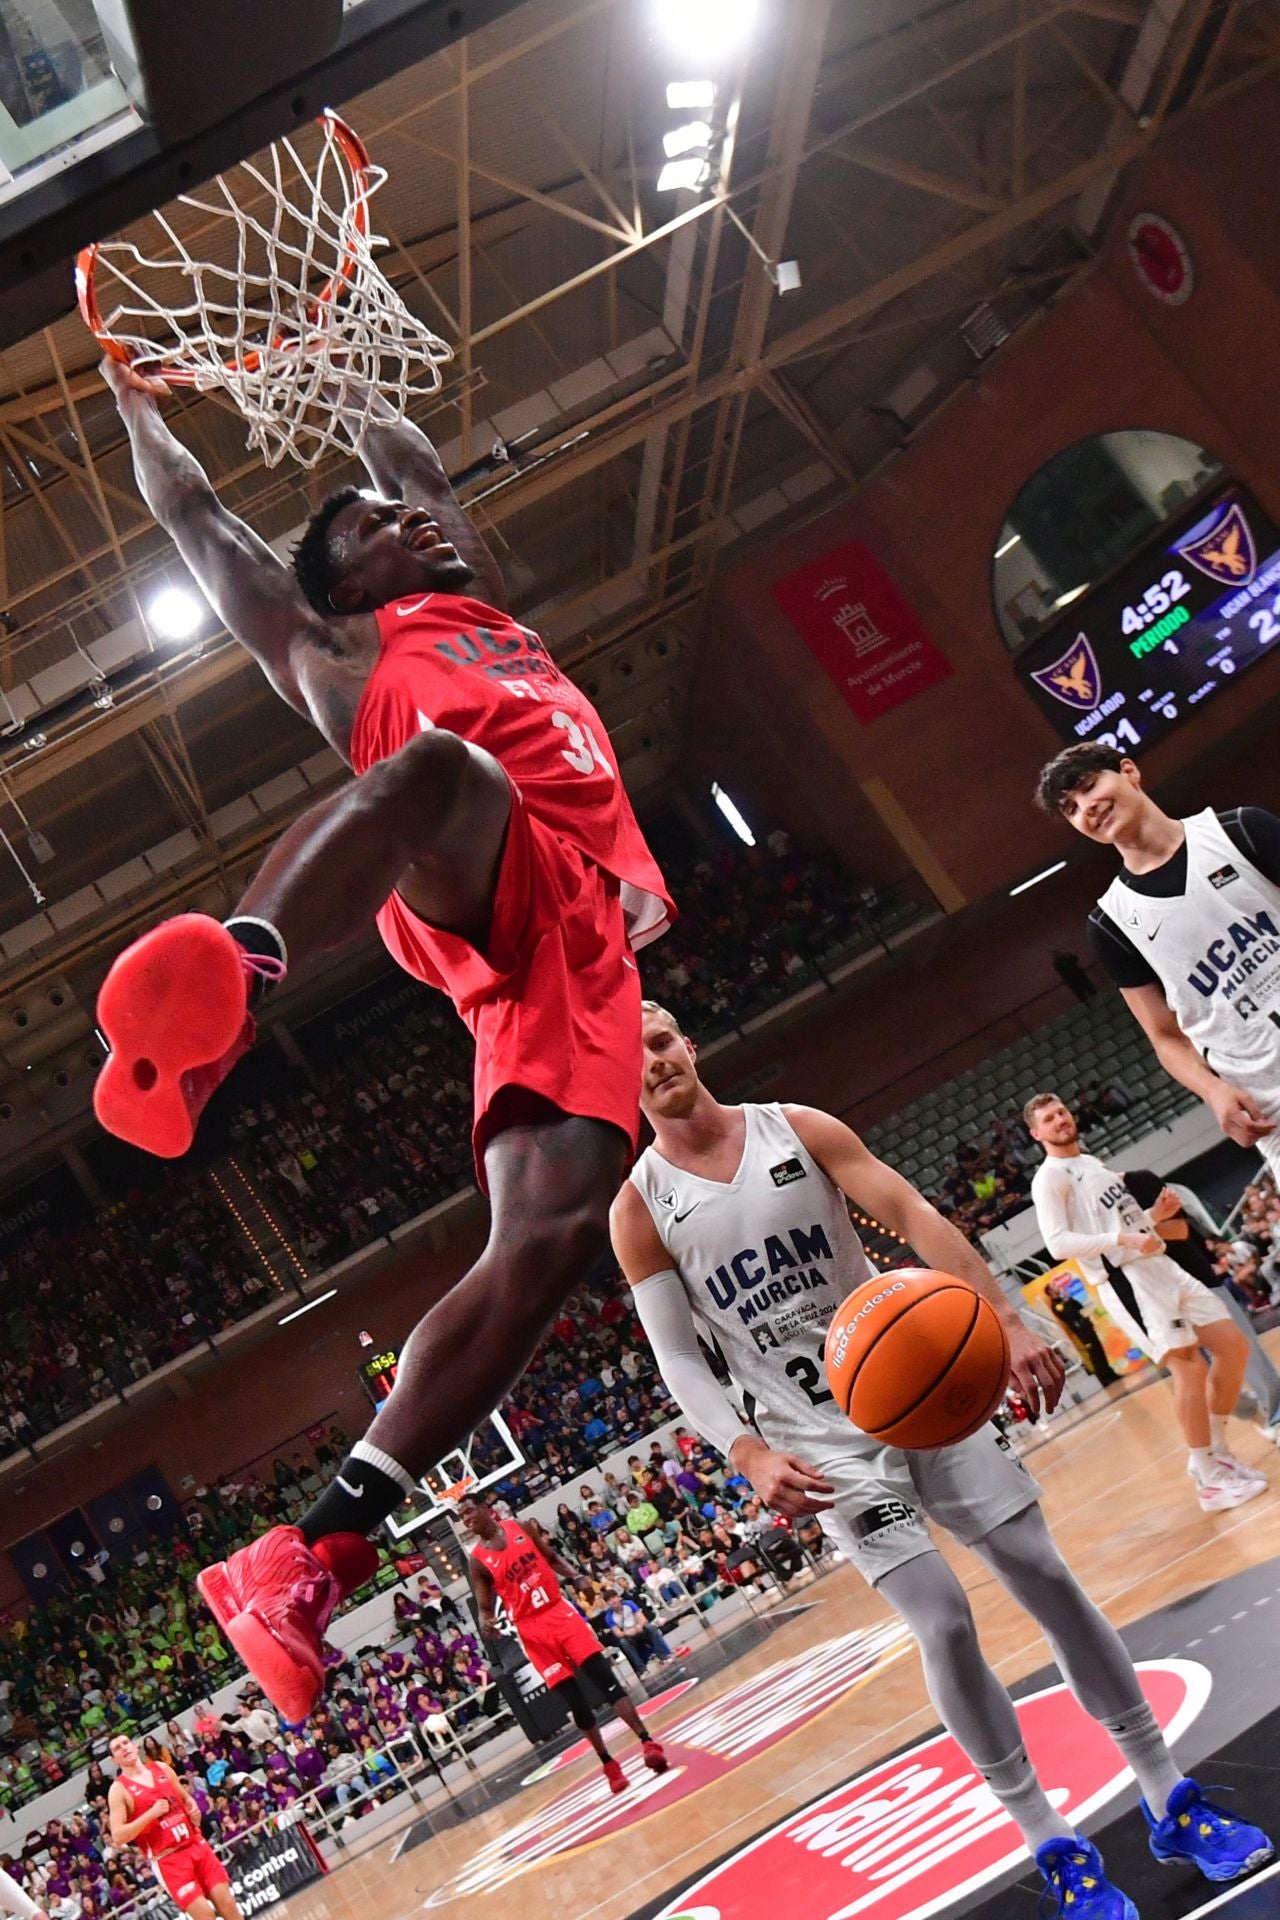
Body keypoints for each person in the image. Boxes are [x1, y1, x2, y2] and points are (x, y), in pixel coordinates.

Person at [94, 358, 674, 1722]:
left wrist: (345, 357)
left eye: (405, 520)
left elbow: (417, 464)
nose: (404, 526)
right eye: (366, 529)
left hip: (575, 934)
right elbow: (202, 526)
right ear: (335, 587)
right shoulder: (337, 651)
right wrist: (138, 413)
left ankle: (312, 1550)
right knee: (439, 769)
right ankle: (238, 974)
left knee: (542, 1245)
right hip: (467, 861)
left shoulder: (481, 608)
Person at [610, 1002, 1273, 1917]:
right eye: (626, 1055)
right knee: (946, 1620)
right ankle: (1050, 1838)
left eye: (658, 1040)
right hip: (819, 1441)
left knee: (1042, 1570)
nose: (649, 1062)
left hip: (917, 1381)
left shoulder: (797, 1129)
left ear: (686, 1044)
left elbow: (911, 1211)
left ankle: (1168, 1794)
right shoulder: (640, 1211)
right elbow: (679, 1356)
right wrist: (747, 1449)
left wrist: (1000, 1311)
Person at [1036, 744, 1280, 1175]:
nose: (1087, 808)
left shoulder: (1240, 829)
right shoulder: (1111, 923)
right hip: (1271, 1101)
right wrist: (1213, 1090)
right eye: (1071, 809)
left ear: (1129, 771)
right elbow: (1165, 1036)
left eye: (1090, 787)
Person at [1026, 1093, 1265, 1511]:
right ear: (1037, 1133)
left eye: (1062, 1111)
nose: (1061, 1120)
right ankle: (1207, 1477)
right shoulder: (1050, 1177)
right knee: (1187, 1368)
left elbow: (1125, 1223)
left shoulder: (1090, 1164)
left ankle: (1217, 1451)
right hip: (1127, 1280)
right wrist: (1122, 1238)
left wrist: (1153, 1216)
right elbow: (1057, 1242)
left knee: (1232, 1345)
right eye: (1049, 1118)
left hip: (1158, 1264)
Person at [458, 1492, 667, 1794]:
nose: (466, 1520)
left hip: (558, 1612)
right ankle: (608, 1763)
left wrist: (577, 1576)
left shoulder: (519, 1528)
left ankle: (647, 1741)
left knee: (605, 1679)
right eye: (461, 1518)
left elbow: (552, 1557)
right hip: (532, 1631)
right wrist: (485, 1621)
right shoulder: (478, 1561)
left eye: (468, 1512)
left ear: (484, 1509)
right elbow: (484, 1607)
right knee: (576, 1702)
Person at [1123, 1168, 1280, 1439]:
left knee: (1244, 1350)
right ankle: (1253, 1411)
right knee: (1199, 1376)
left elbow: (1178, 1229)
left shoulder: (1140, 1181)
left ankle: (1277, 1413)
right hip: (1153, 1298)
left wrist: (1127, 1235)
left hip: (1197, 1280)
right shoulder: (1088, 1214)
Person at [106, 1733, 241, 1920]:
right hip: (169, 1859)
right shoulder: (118, 1790)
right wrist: (150, 1814)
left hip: (195, 1844)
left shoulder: (161, 1768)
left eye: (125, 1743)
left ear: (135, 1746)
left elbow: (186, 1799)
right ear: (114, 1760)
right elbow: (118, 1836)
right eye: (117, 1748)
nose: (124, 1748)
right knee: (206, 1916)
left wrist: (193, 1808)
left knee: (228, 1905)